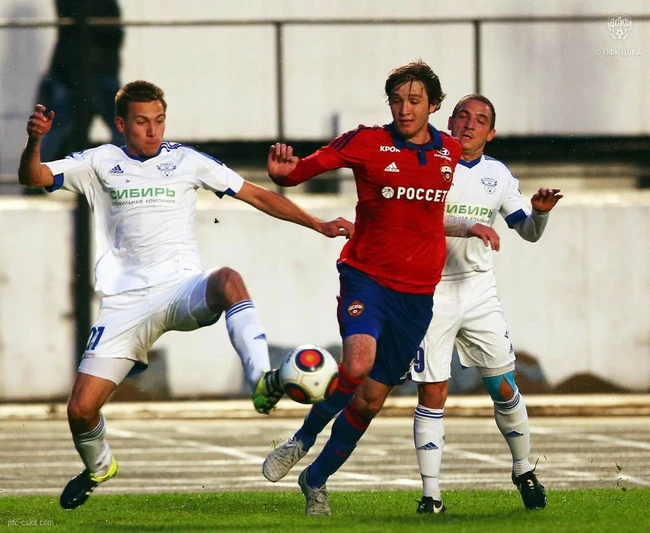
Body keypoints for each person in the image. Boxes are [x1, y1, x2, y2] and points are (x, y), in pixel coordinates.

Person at [18, 80, 353, 510]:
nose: (152, 130)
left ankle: (260, 379)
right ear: (121, 124)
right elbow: (34, 177)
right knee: (80, 411)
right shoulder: (99, 161)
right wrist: (35, 142)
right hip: (125, 304)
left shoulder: (185, 160)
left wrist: (318, 224)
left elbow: (256, 194)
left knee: (228, 280)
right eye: (142, 122)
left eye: (159, 120)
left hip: (181, 288)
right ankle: (99, 467)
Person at [261, 61, 499, 516]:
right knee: (357, 363)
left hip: (417, 295)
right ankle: (301, 440)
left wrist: (473, 225)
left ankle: (316, 480)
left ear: (433, 105)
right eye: (397, 100)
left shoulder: (449, 150)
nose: (404, 109)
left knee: (370, 400)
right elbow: (301, 171)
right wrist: (284, 174)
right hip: (366, 276)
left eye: (415, 101)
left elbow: (430, 213)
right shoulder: (366, 141)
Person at [410, 94, 563, 514]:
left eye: (480, 120)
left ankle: (523, 469)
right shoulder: (427, 163)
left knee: (503, 386)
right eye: (462, 116)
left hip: (478, 291)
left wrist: (539, 213)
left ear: (491, 133)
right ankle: (431, 495)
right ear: (449, 122)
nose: (469, 124)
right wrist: (469, 225)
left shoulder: (498, 174)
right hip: (431, 290)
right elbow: (416, 220)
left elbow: (527, 231)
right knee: (432, 392)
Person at [37, 0, 124, 162]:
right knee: (122, 126)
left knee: (55, 129)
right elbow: (113, 31)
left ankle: (35, 173)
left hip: (76, 70)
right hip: (84, 70)